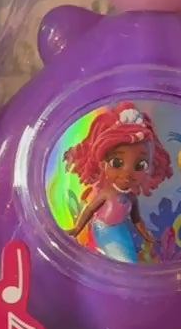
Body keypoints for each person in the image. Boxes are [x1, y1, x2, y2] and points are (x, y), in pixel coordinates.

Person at [62, 102, 173, 263]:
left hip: (121, 230)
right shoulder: (106, 193)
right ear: (103, 165)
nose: (127, 173)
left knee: (128, 261)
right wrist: (77, 228)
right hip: (104, 229)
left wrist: (147, 236)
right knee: (122, 261)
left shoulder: (131, 198)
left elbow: (136, 220)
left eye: (140, 165)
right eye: (117, 163)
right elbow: (89, 209)